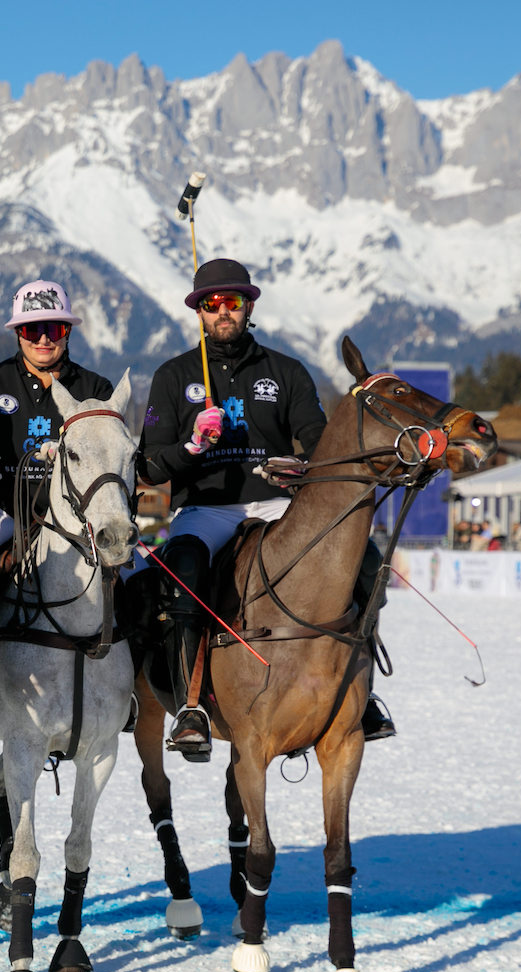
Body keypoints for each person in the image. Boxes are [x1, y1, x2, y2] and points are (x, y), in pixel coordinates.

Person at [134, 258, 394, 760]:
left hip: (278, 505)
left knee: (366, 562)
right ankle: (192, 706)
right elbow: (147, 466)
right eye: (212, 304)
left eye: (233, 302)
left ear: (248, 306)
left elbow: (322, 444)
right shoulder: (174, 375)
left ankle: (361, 695)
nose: (223, 312)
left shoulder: (286, 370)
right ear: (199, 312)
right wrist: (190, 447)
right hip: (206, 509)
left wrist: (300, 466)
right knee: (182, 568)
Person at [0, 279, 115, 591]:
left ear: (68, 331)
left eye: (55, 329)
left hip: (74, 514)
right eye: (33, 330)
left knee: (136, 584)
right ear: (19, 333)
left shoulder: (95, 389)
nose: (44, 339)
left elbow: (110, 460)